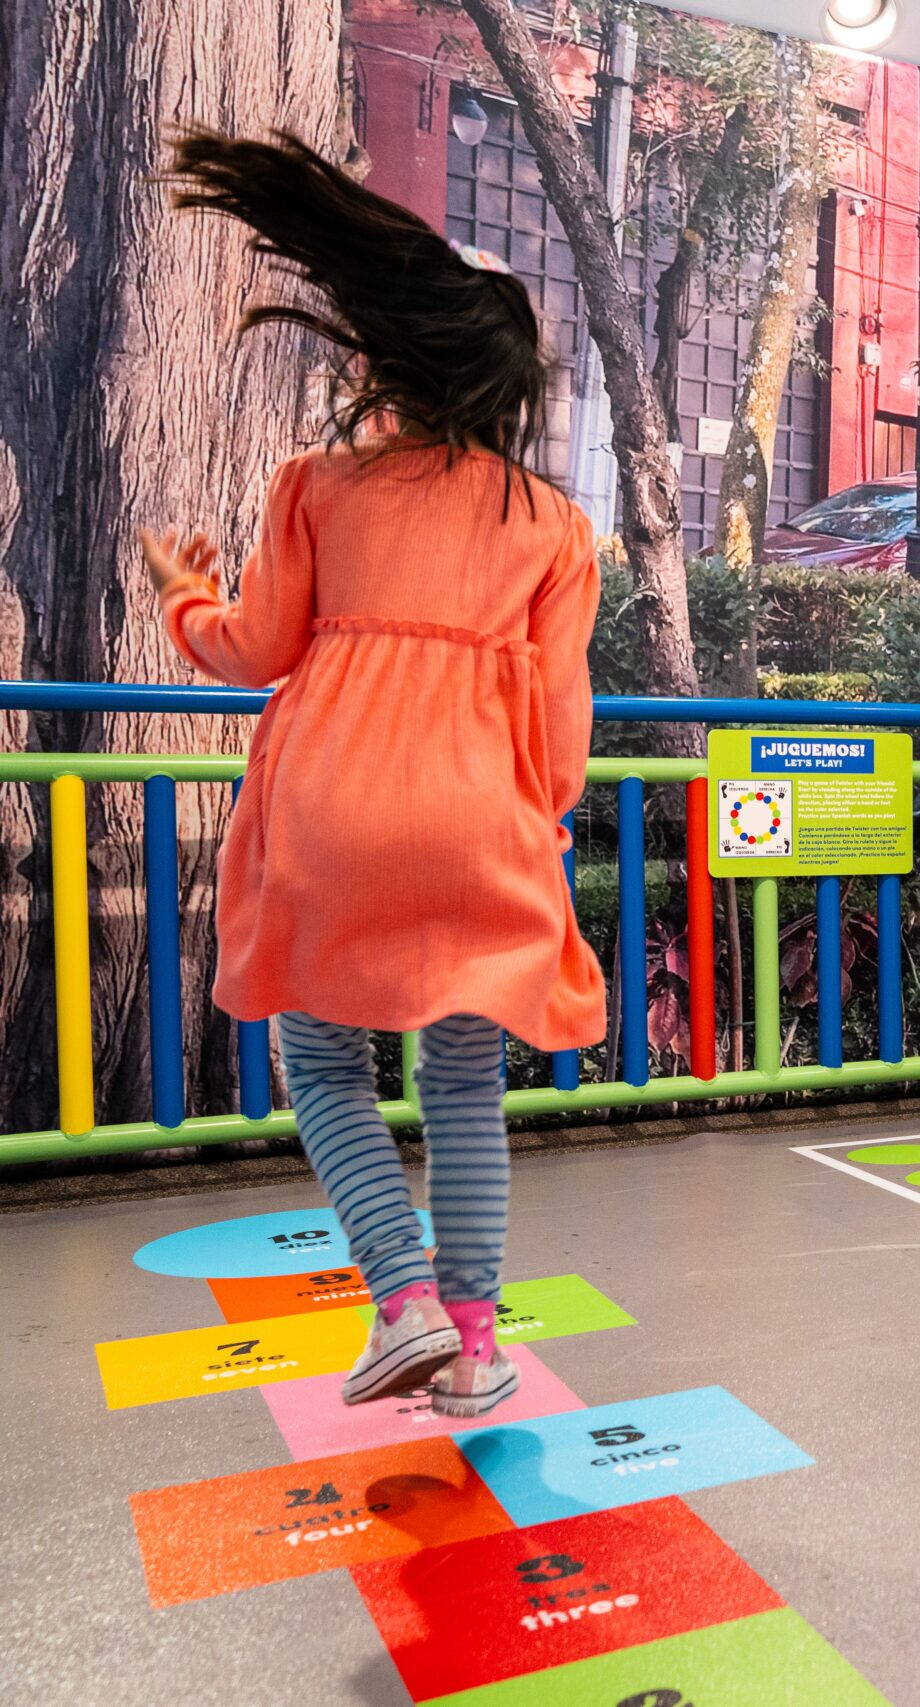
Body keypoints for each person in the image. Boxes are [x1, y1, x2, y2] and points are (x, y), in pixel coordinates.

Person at [140, 130, 603, 1417]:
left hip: (329, 811)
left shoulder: (316, 488)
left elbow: (252, 653)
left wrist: (186, 599)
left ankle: (393, 1298)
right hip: (479, 825)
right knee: (462, 1084)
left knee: (328, 1064)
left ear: (384, 360)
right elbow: (559, 724)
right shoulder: (551, 523)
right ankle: (472, 1345)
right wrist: (541, 819)